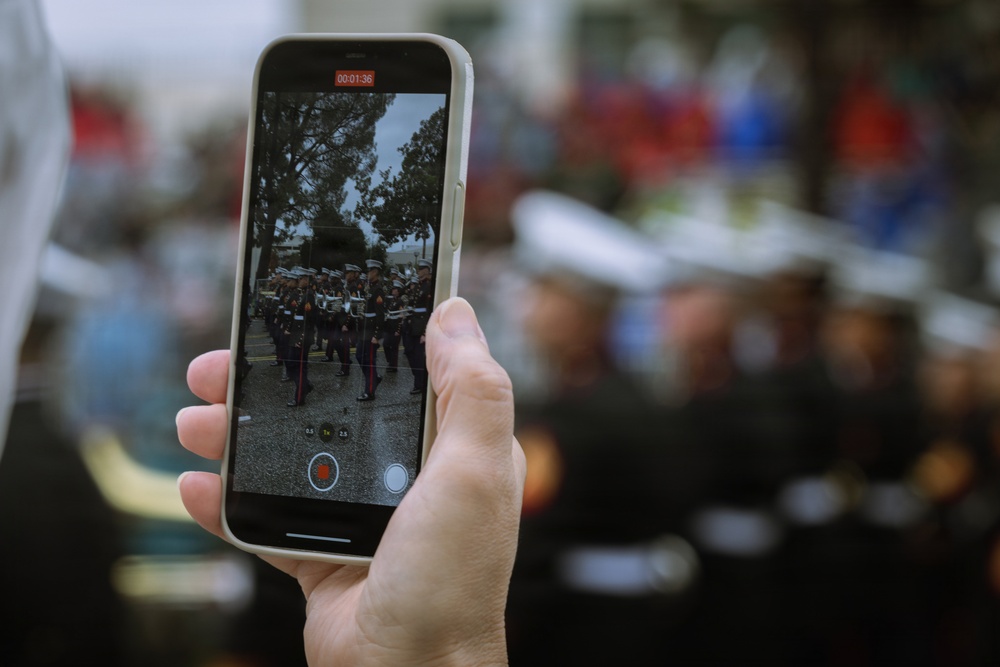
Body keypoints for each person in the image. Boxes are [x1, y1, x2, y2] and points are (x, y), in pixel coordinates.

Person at [176, 297, 525, 666]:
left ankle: (360, 387)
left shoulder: (369, 297)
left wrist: (434, 653)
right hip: (302, 614)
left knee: (367, 362)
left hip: (365, 332)